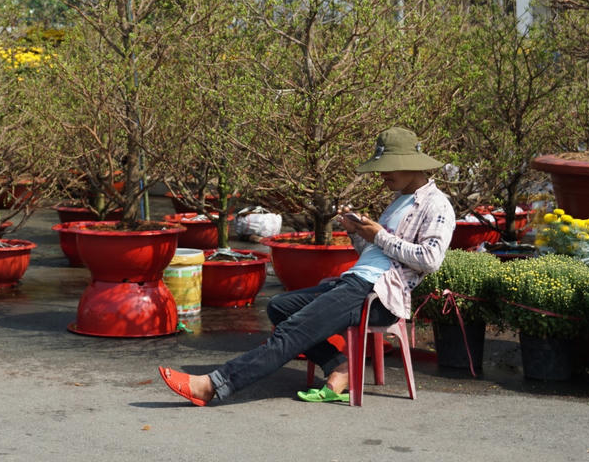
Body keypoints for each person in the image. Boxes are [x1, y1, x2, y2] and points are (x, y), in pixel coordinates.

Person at [158, 126, 454, 406]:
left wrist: (378, 234)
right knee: (279, 306)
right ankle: (338, 365)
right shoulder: (399, 200)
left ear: (410, 164)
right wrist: (358, 232)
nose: (381, 177)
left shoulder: (437, 205)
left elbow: (431, 259)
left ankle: (213, 385)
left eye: (387, 169)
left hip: (377, 293)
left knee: (293, 331)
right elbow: (377, 250)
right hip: (356, 281)